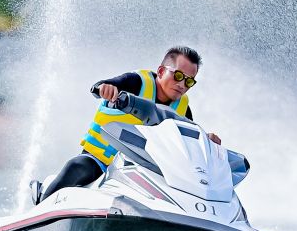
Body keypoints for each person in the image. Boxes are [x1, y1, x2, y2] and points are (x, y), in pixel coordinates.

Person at [34, 46, 220, 203]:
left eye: (189, 81)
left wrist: (205, 138)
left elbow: (189, 138)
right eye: (178, 76)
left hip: (142, 173)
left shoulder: (182, 107)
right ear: (162, 71)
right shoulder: (137, 82)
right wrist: (106, 89)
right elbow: (100, 86)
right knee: (78, 166)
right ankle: (41, 206)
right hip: (101, 163)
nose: (182, 85)